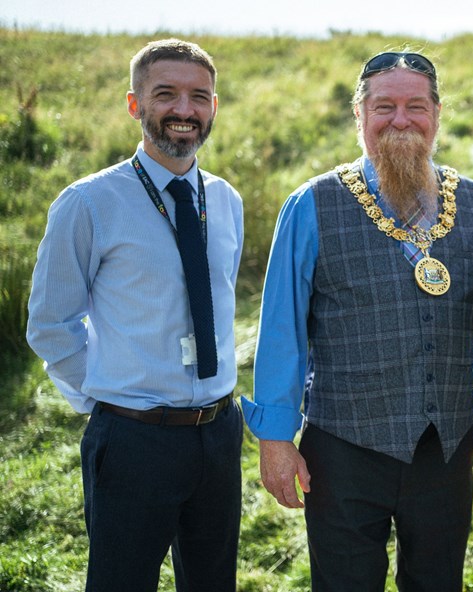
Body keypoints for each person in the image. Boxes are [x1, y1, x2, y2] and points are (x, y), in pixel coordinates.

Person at [242, 50, 473, 591]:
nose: (400, 119)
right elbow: (281, 328)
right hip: (342, 448)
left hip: (446, 446)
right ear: (360, 116)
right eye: (384, 106)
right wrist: (276, 438)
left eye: (416, 105)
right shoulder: (311, 204)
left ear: (437, 114)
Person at [26, 39, 244, 591]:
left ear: (213, 107)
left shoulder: (227, 201)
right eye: (165, 94)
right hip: (133, 440)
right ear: (134, 104)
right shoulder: (89, 203)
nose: (184, 110)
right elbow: (51, 323)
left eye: (199, 96)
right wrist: (104, 398)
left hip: (219, 435)